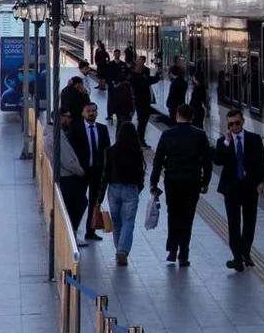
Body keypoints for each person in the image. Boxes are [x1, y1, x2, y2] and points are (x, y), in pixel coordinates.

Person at [149, 103, 211, 267]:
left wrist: (153, 183)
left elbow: (158, 161)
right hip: (192, 182)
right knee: (187, 217)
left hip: (172, 181)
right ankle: (184, 253)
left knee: (173, 214)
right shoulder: (200, 135)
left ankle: (172, 248)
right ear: (192, 117)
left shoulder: (167, 134)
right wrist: (206, 182)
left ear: (177, 115)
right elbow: (207, 162)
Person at [212, 106, 264, 272]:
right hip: (231, 188)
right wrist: (227, 142)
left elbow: (262, 162)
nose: (234, 127)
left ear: (242, 122)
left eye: (237, 123)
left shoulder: (254, 139)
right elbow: (217, 160)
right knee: (233, 223)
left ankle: (246, 253)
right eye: (230, 125)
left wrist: (263, 182)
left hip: (249, 186)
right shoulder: (223, 142)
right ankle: (237, 257)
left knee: (249, 222)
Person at [99, 122, 145, 266]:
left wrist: (99, 198)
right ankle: (122, 250)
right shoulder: (137, 152)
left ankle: (119, 249)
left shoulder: (110, 151)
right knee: (128, 221)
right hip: (130, 189)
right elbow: (140, 174)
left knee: (117, 222)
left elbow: (105, 175)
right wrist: (139, 188)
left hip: (114, 189)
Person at [69, 101, 110, 242]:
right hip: (81, 172)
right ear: (83, 113)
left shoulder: (103, 129)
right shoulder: (75, 129)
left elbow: (107, 151)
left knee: (95, 202)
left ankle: (90, 231)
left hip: (97, 172)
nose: (91, 113)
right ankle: (73, 228)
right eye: (88, 111)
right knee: (80, 201)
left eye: (93, 110)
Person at [44, 108, 88, 235]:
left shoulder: (51, 135)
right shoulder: (58, 137)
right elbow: (68, 161)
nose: (70, 119)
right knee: (78, 204)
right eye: (67, 117)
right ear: (60, 118)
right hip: (67, 178)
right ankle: (71, 233)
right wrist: (81, 172)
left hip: (61, 176)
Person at [129, 58, 160, 148]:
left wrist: (157, 75)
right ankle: (140, 141)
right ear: (135, 67)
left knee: (143, 123)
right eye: (140, 65)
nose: (143, 66)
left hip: (144, 102)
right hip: (141, 103)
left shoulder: (141, 75)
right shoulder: (135, 77)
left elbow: (149, 81)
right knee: (142, 123)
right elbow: (146, 83)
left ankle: (140, 140)